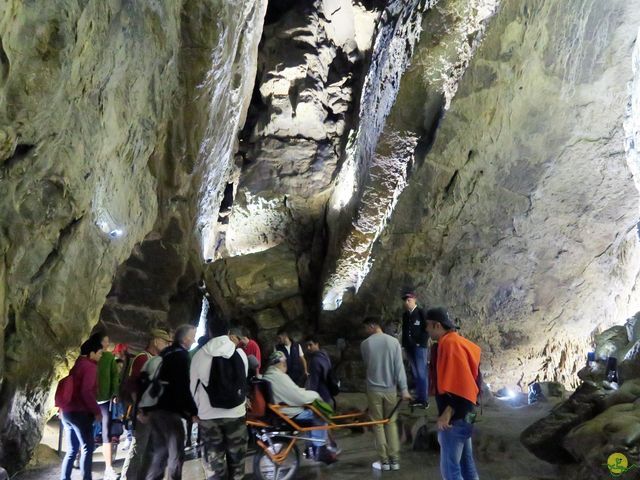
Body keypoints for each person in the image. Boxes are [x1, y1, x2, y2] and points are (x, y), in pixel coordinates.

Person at [190, 312, 249, 480]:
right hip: (236, 415)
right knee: (237, 465)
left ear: (209, 332)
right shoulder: (241, 355)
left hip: (209, 417)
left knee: (214, 467)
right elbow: (242, 382)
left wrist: (197, 411)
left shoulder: (200, 356)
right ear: (228, 332)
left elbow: (192, 388)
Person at [425, 307, 481, 480]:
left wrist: (447, 413)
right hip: (469, 414)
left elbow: (462, 385)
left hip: (456, 418)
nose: (426, 330)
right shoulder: (458, 341)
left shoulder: (450, 345)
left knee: (451, 471)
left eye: (428, 326)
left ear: (437, 325)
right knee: (467, 465)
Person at [262, 351, 337, 464]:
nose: (285, 365)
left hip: (280, 411)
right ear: (281, 363)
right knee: (321, 415)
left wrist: (304, 393)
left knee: (312, 411)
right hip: (289, 414)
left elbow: (293, 392)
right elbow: (298, 397)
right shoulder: (279, 377)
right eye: (284, 362)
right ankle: (319, 449)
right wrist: (315, 395)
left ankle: (310, 448)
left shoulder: (268, 376)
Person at [144, 325, 198, 480]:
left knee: (160, 453)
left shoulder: (166, 353)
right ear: (185, 338)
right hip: (169, 412)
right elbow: (181, 386)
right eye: (192, 336)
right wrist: (192, 412)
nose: (194, 339)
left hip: (156, 409)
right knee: (176, 454)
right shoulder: (180, 356)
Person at [120, 329, 172, 480]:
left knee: (151, 449)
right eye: (165, 342)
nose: (167, 345)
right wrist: (140, 411)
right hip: (145, 413)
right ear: (155, 341)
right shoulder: (143, 358)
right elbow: (134, 386)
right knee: (138, 449)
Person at [361, 317, 411, 472]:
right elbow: (399, 368)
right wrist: (404, 389)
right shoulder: (394, 342)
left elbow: (367, 365)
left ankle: (384, 461)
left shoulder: (365, 344)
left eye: (366, 328)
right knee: (391, 423)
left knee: (378, 424)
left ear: (371, 326)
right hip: (390, 389)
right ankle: (394, 459)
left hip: (373, 389)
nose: (365, 332)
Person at [59, 335, 104, 480]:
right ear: (92, 353)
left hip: (66, 411)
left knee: (72, 450)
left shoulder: (76, 363)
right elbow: (86, 391)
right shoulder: (90, 367)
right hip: (80, 413)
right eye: (99, 353)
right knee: (87, 448)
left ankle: (64, 478)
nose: (100, 356)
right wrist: (97, 411)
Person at [91, 332, 120, 480]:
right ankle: (82, 460)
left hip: (103, 399)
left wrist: (114, 393)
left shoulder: (109, 357)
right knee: (87, 432)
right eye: (105, 342)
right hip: (90, 400)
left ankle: (108, 468)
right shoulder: (90, 357)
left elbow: (114, 376)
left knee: (106, 432)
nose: (108, 345)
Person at [401, 290, 429, 409]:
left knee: (421, 373)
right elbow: (405, 330)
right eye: (405, 301)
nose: (407, 303)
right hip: (409, 346)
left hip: (419, 347)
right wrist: (404, 344)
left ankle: (424, 399)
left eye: (409, 300)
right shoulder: (406, 315)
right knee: (415, 372)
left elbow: (426, 329)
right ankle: (419, 397)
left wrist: (420, 342)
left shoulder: (421, 312)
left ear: (414, 300)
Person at [304, 336, 333, 403]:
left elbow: (314, 381)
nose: (308, 348)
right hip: (328, 392)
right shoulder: (324, 355)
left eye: (310, 345)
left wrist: (309, 397)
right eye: (307, 345)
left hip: (320, 395)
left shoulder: (315, 360)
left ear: (317, 344)